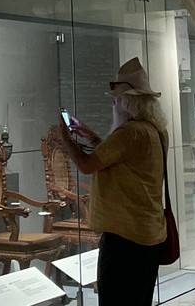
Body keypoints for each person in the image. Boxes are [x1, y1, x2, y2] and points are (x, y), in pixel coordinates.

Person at [51, 57, 169, 306]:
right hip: (148, 235)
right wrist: (92, 137)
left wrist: (66, 139)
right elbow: (122, 160)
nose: (113, 103)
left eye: (117, 98)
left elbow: (87, 165)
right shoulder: (154, 131)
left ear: (129, 101)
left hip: (125, 239)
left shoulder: (130, 133)